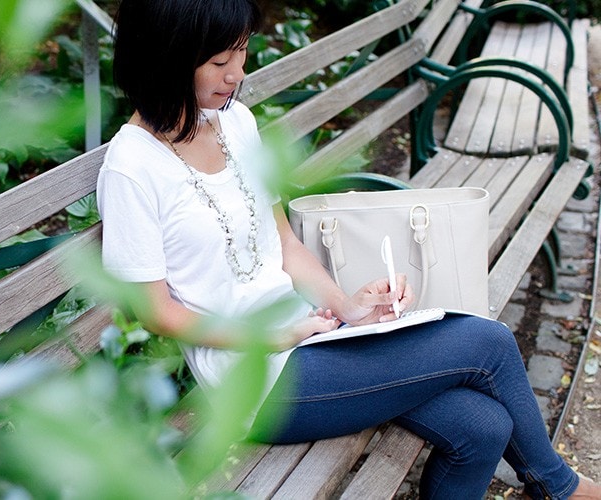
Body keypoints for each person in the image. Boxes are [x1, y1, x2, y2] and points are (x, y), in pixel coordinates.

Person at [97, 0, 601, 498]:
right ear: (165, 58)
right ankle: (559, 488)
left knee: (483, 427)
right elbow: (157, 312)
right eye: (220, 63)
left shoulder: (236, 125)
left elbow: (287, 244)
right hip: (256, 379)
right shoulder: (131, 168)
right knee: (488, 344)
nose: (238, 75)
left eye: (242, 54)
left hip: (313, 339)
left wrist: (348, 307)